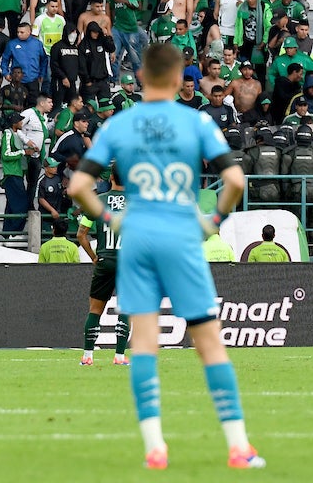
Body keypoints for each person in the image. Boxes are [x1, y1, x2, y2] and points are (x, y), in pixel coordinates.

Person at [66, 42, 264, 471]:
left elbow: (78, 187)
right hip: (180, 236)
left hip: (137, 242)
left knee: (144, 345)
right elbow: (234, 180)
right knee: (209, 344)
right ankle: (237, 446)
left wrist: (115, 223)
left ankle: (155, 447)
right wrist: (210, 224)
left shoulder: (119, 126)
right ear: (178, 80)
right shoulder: (195, 123)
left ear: (141, 79)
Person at [76, 168, 132, 366]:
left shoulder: (97, 201)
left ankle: (87, 356)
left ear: (111, 177)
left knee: (95, 309)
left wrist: (94, 257)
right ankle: (119, 357)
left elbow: (81, 234)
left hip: (104, 260)